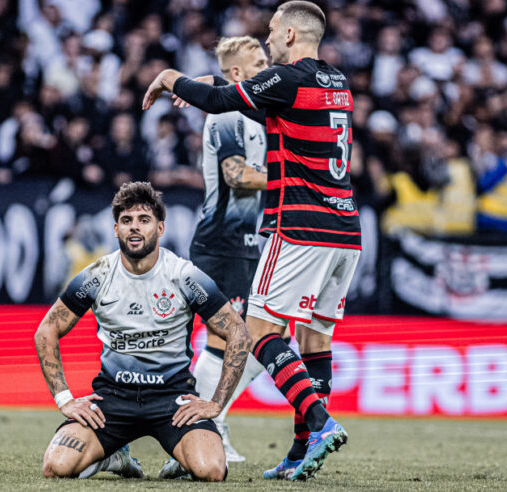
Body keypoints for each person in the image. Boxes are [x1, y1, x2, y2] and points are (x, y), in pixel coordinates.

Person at [143, 1, 360, 481]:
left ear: (288, 34)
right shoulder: (338, 84)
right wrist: (218, 85)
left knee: (258, 332)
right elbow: (257, 107)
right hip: (346, 230)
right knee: (314, 340)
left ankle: (320, 425)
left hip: (300, 227)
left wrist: (169, 77)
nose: (266, 37)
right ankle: (302, 450)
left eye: (270, 30)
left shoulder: (288, 79)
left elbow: (226, 103)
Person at [35, 181, 253, 482]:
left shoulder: (183, 275)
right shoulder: (97, 276)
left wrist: (216, 402)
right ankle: (115, 456)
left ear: (160, 228)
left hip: (172, 400)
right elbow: (46, 330)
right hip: (113, 398)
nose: (134, 228)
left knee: (211, 470)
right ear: (116, 230)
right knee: (56, 466)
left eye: (144, 220)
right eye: (126, 221)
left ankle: (182, 460)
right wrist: (65, 399)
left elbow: (239, 332)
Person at [163, 35, 270, 469]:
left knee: (259, 341)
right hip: (221, 243)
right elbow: (236, 175)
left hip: (244, 243)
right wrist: (289, 177)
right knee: (230, 339)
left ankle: (210, 420)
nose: (268, 64)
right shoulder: (226, 116)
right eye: (259, 61)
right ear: (239, 74)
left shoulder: (252, 112)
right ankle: (208, 427)